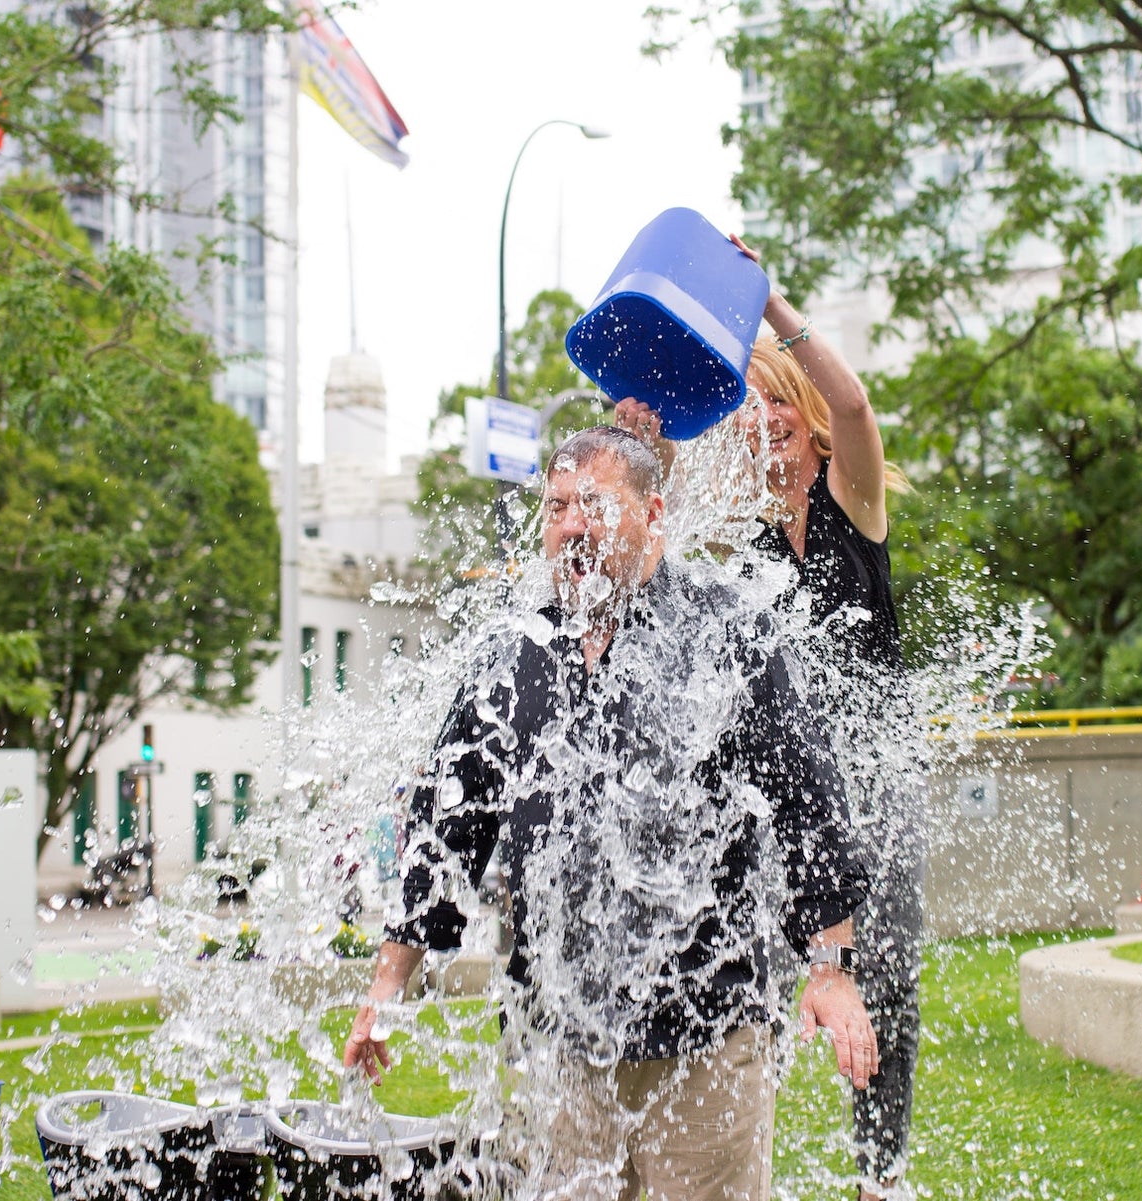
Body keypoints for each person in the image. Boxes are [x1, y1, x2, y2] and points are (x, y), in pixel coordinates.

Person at [343, 426, 877, 1201]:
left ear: (653, 512)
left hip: (707, 1035)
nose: (571, 525)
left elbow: (807, 799)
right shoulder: (515, 652)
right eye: (557, 506)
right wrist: (387, 985)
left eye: (594, 504)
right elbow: (447, 829)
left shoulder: (723, 630)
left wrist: (830, 971)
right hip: (558, 1041)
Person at [616, 236, 923, 1201]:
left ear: (806, 417)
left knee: (883, 974)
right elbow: (655, 564)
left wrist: (774, 307)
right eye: (750, 415)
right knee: (757, 967)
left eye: (779, 407)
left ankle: (882, 1176)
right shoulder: (743, 553)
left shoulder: (852, 505)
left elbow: (861, 408)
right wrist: (646, 447)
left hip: (876, 784)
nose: (766, 427)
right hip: (793, 795)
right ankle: (744, 1161)